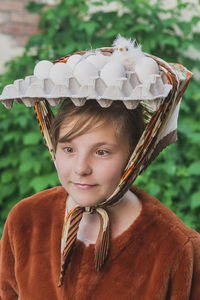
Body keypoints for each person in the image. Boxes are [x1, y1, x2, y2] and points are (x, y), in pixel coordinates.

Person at [0, 36, 200, 299]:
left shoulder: (175, 247)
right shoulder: (26, 220)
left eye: (102, 152)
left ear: (134, 156)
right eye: (69, 149)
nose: (81, 168)